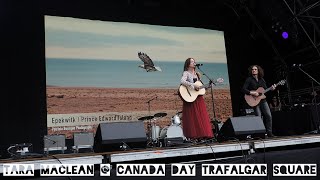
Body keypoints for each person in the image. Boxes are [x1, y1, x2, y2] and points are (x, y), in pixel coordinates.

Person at [180, 57, 213, 142]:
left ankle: (202, 136)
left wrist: (208, 86)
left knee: (201, 117)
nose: (194, 63)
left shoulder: (198, 74)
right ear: (188, 64)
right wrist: (193, 85)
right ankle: (194, 136)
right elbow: (182, 81)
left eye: (194, 61)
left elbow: (201, 87)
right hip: (191, 98)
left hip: (198, 98)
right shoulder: (186, 73)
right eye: (192, 61)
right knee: (193, 117)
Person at [242, 65, 276, 138]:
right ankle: (260, 134)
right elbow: (244, 89)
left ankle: (269, 133)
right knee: (258, 117)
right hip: (254, 101)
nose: (254, 70)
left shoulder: (262, 80)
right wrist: (252, 93)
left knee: (268, 115)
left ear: (258, 71)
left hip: (263, 100)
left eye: (255, 69)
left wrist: (271, 89)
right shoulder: (249, 79)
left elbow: (265, 90)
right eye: (252, 69)